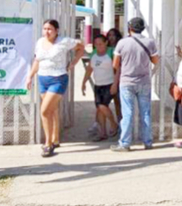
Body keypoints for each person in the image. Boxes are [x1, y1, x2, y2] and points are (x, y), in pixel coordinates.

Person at [26, 18, 82, 158]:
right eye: (45, 28)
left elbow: (81, 47)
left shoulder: (64, 41)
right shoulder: (40, 42)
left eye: (50, 29)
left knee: (44, 111)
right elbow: (37, 60)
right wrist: (30, 76)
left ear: (56, 30)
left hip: (58, 78)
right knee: (52, 110)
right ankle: (55, 138)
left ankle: (48, 144)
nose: (47, 31)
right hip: (43, 78)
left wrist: (73, 62)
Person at [112, 16, 159, 151]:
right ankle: (148, 142)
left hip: (126, 81)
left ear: (129, 28)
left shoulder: (122, 43)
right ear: (142, 28)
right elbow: (155, 61)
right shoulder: (150, 42)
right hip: (144, 81)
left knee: (127, 113)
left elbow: (115, 64)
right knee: (145, 112)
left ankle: (125, 143)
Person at [80, 33, 118, 142]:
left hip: (109, 83)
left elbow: (117, 69)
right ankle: (103, 133)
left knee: (102, 106)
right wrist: (83, 82)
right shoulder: (94, 54)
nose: (98, 46)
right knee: (99, 109)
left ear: (106, 43)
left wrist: (115, 84)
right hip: (98, 85)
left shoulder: (111, 52)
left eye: (101, 44)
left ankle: (113, 124)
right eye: (96, 44)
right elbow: (89, 69)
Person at [105, 27, 124, 124]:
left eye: (113, 35)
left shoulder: (120, 48)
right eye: (109, 35)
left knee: (119, 102)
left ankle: (120, 121)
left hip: (118, 77)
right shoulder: (105, 48)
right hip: (106, 78)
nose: (111, 37)